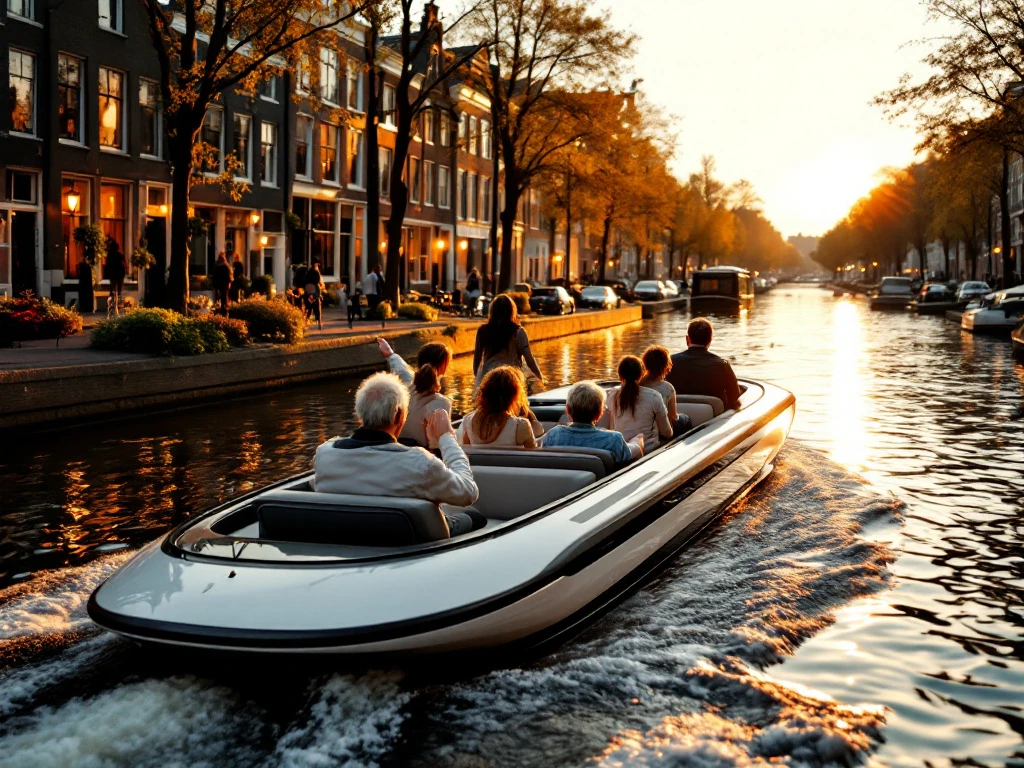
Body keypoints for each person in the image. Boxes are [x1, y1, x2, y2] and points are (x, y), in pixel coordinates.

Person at [312, 372, 485, 536]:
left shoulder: (325, 454)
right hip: (409, 539)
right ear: (399, 415)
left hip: (347, 535)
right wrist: (446, 438)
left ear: (360, 415)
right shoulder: (419, 462)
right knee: (475, 517)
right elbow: (468, 492)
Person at [377, 337, 453, 448]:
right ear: (443, 366)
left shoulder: (403, 386)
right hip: (421, 456)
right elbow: (439, 445)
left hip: (395, 448)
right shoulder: (442, 403)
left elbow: (400, 367)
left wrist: (390, 354)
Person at [542, 381, 636, 465]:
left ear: (568, 410)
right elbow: (626, 468)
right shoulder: (614, 440)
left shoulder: (553, 435)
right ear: (600, 413)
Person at [472, 294, 544, 394]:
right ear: (512, 311)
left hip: (489, 379)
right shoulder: (519, 332)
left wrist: (478, 379)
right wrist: (540, 379)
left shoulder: (483, 331)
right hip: (512, 380)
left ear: (492, 311)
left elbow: (477, 359)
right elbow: (530, 360)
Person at [457, 366, 543, 448]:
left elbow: (467, 453)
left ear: (484, 393)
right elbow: (534, 456)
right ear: (513, 396)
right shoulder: (520, 426)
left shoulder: (468, 421)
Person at [665, 318, 741, 410]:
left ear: (687, 339)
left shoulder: (669, 362)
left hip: (675, 414)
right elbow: (734, 395)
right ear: (710, 340)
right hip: (714, 415)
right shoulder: (722, 365)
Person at [607, 355, 673, 452]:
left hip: (623, 450)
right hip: (647, 450)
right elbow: (667, 433)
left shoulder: (611, 395)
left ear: (620, 375)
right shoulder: (654, 396)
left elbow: (612, 428)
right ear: (642, 374)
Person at [641, 345, 692, 437]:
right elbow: (672, 417)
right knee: (685, 419)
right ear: (666, 367)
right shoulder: (667, 388)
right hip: (661, 432)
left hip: (643, 428)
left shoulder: (638, 384)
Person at [105, 238, 128, 314]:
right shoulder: (120, 255)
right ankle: (117, 306)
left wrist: (108, 273)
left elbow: (107, 265)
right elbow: (124, 264)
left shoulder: (109, 255)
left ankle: (111, 307)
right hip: (120, 273)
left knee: (113, 290)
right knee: (119, 291)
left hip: (113, 274)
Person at [304, 258, 323, 325]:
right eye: (317, 263)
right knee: (316, 305)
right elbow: (317, 281)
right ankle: (317, 320)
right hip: (314, 290)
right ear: (315, 264)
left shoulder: (308, 272)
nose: (318, 264)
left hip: (309, 290)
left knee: (309, 306)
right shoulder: (315, 272)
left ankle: (307, 319)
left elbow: (306, 282)